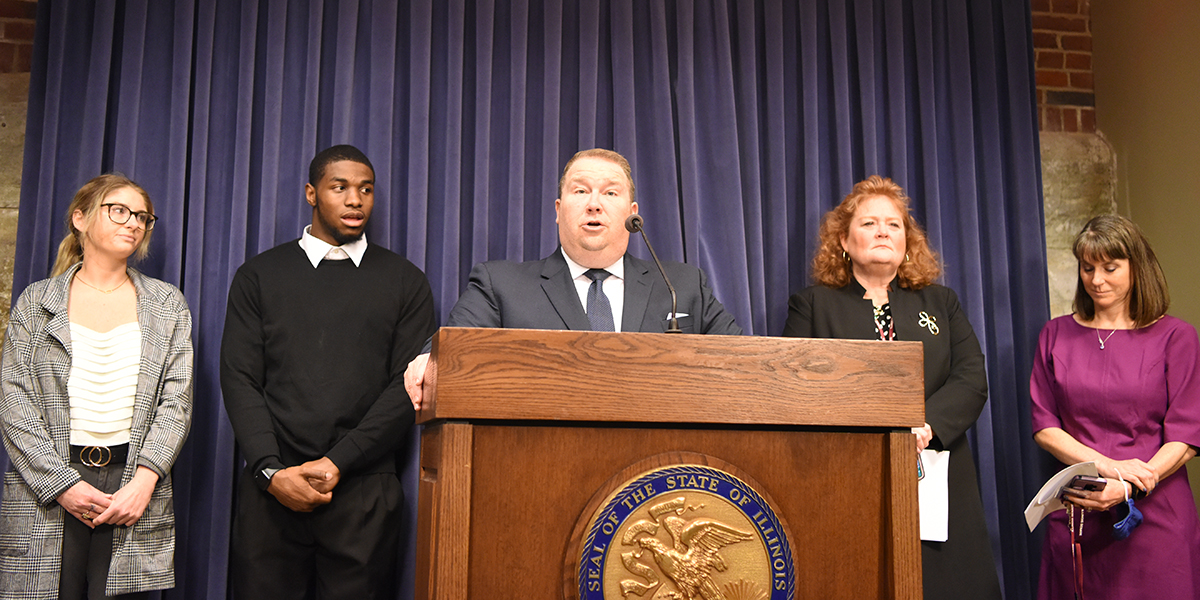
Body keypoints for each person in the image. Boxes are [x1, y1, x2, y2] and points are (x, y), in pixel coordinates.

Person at [220, 145, 436, 599]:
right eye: (340, 187)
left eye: (366, 189)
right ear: (312, 194)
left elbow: (408, 387)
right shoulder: (259, 275)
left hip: (364, 494)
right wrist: (270, 471)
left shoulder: (406, 281)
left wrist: (338, 461)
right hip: (271, 491)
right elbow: (240, 378)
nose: (355, 199)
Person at [781, 175, 1000, 599]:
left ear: (907, 241)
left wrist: (926, 424)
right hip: (846, 470)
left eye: (894, 224)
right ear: (843, 241)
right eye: (869, 223)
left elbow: (971, 376)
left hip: (935, 463)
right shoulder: (812, 305)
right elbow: (799, 383)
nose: (883, 230)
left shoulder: (942, 302)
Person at [403, 148, 741, 409]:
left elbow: (743, 364)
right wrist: (428, 360)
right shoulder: (500, 285)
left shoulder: (681, 286)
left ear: (632, 213)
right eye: (580, 191)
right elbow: (448, 355)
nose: (594, 204)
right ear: (557, 209)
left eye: (610, 193)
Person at [0, 174, 193, 598]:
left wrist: (144, 483)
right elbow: (14, 400)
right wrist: (62, 485)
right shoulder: (37, 301)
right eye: (119, 210)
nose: (134, 223)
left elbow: (175, 402)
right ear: (80, 218)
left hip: (132, 484)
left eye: (142, 216)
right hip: (49, 486)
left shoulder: (167, 304)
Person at [1030, 214, 1200, 598]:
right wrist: (1106, 467)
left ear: (1137, 267)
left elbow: (1187, 434)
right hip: (1080, 511)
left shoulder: (1177, 336)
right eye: (1088, 268)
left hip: (1155, 517)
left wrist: (1129, 486)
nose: (1097, 279)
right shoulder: (1055, 334)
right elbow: (1045, 424)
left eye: (1110, 267)